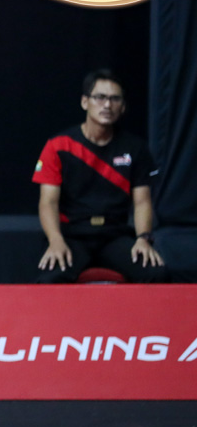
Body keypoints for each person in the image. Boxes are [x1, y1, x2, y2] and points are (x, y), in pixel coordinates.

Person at [33, 68, 166, 283]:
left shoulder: (136, 148)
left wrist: (143, 239)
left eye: (115, 99)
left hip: (115, 236)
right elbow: (48, 202)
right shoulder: (58, 146)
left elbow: (142, 202)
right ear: (85, 102)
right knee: (51, 278)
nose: (107, 105)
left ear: (123, 107)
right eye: (100, 97)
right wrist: (55, 240)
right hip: (71, 235)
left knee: (156, 274)